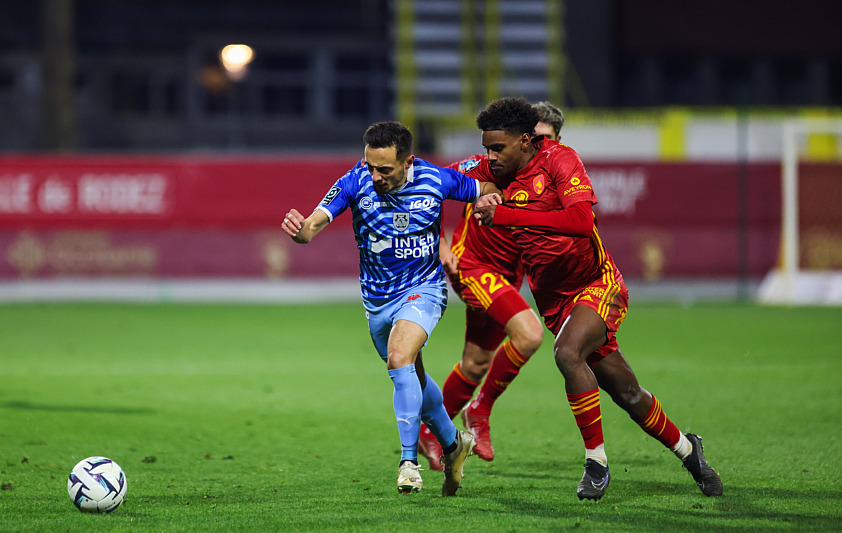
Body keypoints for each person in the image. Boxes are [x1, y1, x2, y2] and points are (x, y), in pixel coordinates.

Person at [469, 97, 723, 501]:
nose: (489, 156)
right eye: (486, 148)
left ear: (523, 141)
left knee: (567, 354)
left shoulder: (561, 160)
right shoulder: (492, 169)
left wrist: (505, 215)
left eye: (497, 148)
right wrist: (404, 176)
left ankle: (596, 463)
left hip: (597, 285)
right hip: (554, 302)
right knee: (627, 393)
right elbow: (446, 178)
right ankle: (689, 450)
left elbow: (581, 222)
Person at [281, 121, 499, 496]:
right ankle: (453, 445)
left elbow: (487, 187)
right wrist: (301, 230)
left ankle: (408, 463)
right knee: (411, 375)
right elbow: (314, 223)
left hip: (424, 289)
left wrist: (487, 201)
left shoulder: (436, 179)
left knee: (399, 358)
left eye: (385, 169)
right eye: (370, 166)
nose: (375, 175)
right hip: (377, 301)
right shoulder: (354, 182)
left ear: (407, 162)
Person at [417, 101, 565, 470]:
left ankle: (429, 434)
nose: (535, 145)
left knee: (475, 362)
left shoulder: (557, 175)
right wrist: (439, 242)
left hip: (508, 277)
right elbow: (426, 188)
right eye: (530, 137)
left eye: (543, 139)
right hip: (473, 266)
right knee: (529, 336)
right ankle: (479, 411)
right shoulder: (489, 166)